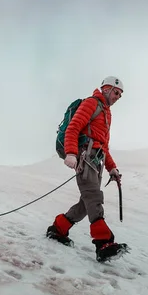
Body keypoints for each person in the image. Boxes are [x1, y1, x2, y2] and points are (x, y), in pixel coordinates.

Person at [46, 76, 128, 262]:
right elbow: (73, 128)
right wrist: (71, 153)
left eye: (120, 95)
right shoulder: (92, 103)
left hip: (96, 160)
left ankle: (58, 229)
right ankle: (104, 243)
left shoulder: (107, 114)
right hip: (85, 157)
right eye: (116, 92)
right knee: (93, 196)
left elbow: (104, 146)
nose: (117, 97)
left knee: (86, 203)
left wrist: (112, 169)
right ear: (106, 89)